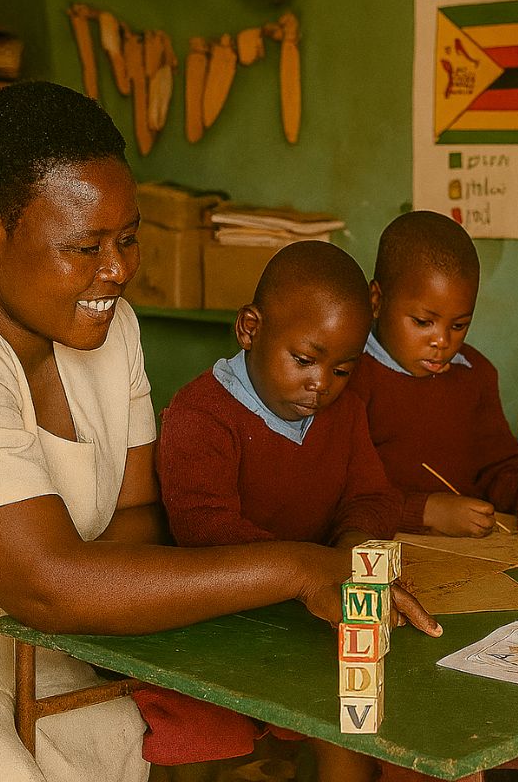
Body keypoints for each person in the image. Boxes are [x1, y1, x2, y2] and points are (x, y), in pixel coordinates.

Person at [0, 80, 437, 782]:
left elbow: (134, 513)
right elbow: (46, 581)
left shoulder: (108, 326)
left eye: (127, 239)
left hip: (31, 639)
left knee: (127, 744)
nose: (118, 270)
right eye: (85, 246)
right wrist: (300, 566)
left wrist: (95, 588)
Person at [142, 240, 406, 780]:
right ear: (250, 328)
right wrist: (314, 569)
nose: (320, 385)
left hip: (312, 623)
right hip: (219, 627)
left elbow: (374, 498)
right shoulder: (202, 415)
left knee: (355, 725)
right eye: (305, 361)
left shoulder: (345, 411)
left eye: (342, 369)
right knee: (212, 744)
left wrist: (354, 548)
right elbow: (204, 531)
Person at [346, 210, 518, 538]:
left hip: (465, 559)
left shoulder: (474, 374)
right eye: (423, 322)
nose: (442, 341)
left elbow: (499, 466)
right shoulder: (349, 374)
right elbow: (338, 490)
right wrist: (423, 511)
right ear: (377, 301)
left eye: (459, 325)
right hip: (378, 551)